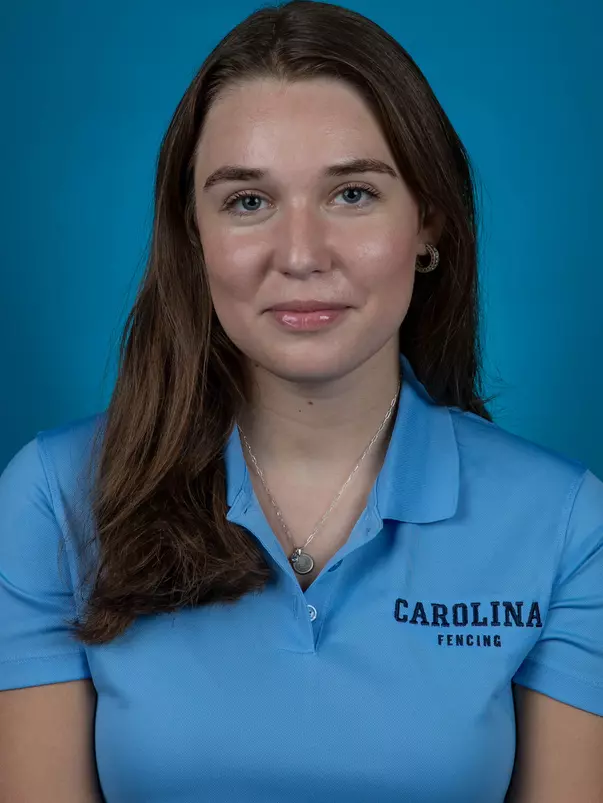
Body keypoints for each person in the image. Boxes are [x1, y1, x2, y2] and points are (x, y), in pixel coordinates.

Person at [1, 1, 602, 801]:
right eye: (247, 201)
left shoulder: (565, 523)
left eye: (351, 193)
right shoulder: (52, 496)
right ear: (194, 233)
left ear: (428, 223)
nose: (300, 254)